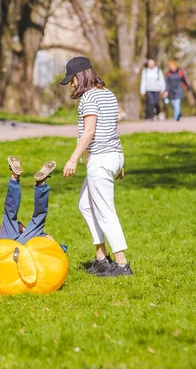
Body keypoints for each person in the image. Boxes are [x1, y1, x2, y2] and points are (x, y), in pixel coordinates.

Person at [60, 56, 132, 277]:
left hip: (101, 160)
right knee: (85, 204)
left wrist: (73, 159)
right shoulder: (107, 94)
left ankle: (121, 265)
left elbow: (89, 131)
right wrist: (118, 162)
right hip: (112, 156)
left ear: (80, 76)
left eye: (71, 79)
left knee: (105, 211)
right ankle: (101, 257)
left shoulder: (89, 98)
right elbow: (111, 128)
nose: (71, 84)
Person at [0, 157, 58, 246]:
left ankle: (15, 177)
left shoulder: (8, 230)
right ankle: (40, 183)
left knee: (10, 213)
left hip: (9, 242)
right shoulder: (29, 233)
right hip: (21, 242)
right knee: (37, 219)